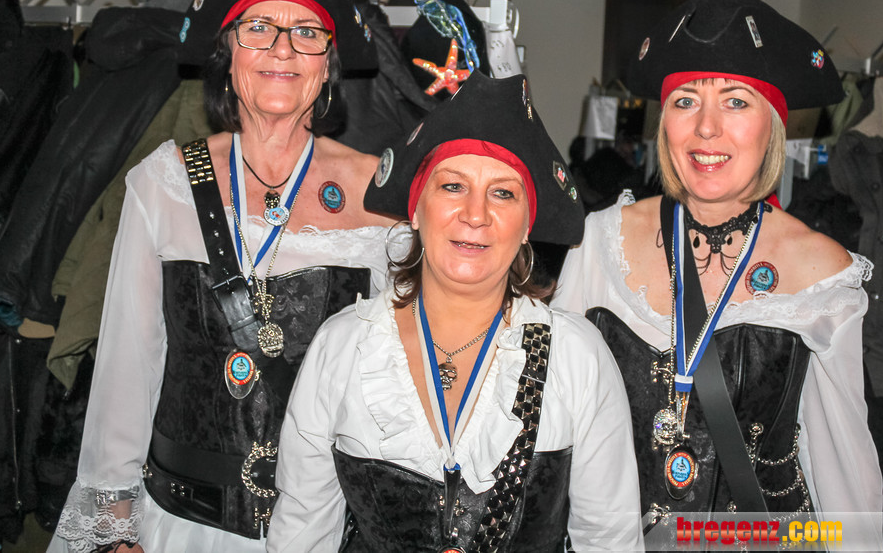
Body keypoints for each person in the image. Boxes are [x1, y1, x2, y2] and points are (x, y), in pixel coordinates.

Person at [51, 0, 392, 553]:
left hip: (324, 528)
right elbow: (129, 360)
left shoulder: (381, 195)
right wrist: (112, 521)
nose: (282, 48)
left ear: (328, 64)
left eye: (306, 32)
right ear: (227, 53)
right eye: (258, 27)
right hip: (180, 524)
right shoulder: (163, 182)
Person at [553, 0, 883, 546]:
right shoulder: (599, 242)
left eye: (735, 102)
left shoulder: (822, 271)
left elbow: (840, 459)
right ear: (664, 122)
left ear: (772, 125)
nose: (706, 128)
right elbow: (557, 423)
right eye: (685, 101)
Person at [267, 72, 643, 551]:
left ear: (527, 224)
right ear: (415, 208)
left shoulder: (577, 357)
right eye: (452, 186)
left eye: (502, 193)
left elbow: (609, 539)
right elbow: (301, 532)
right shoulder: (343, 347)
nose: (475, 214)